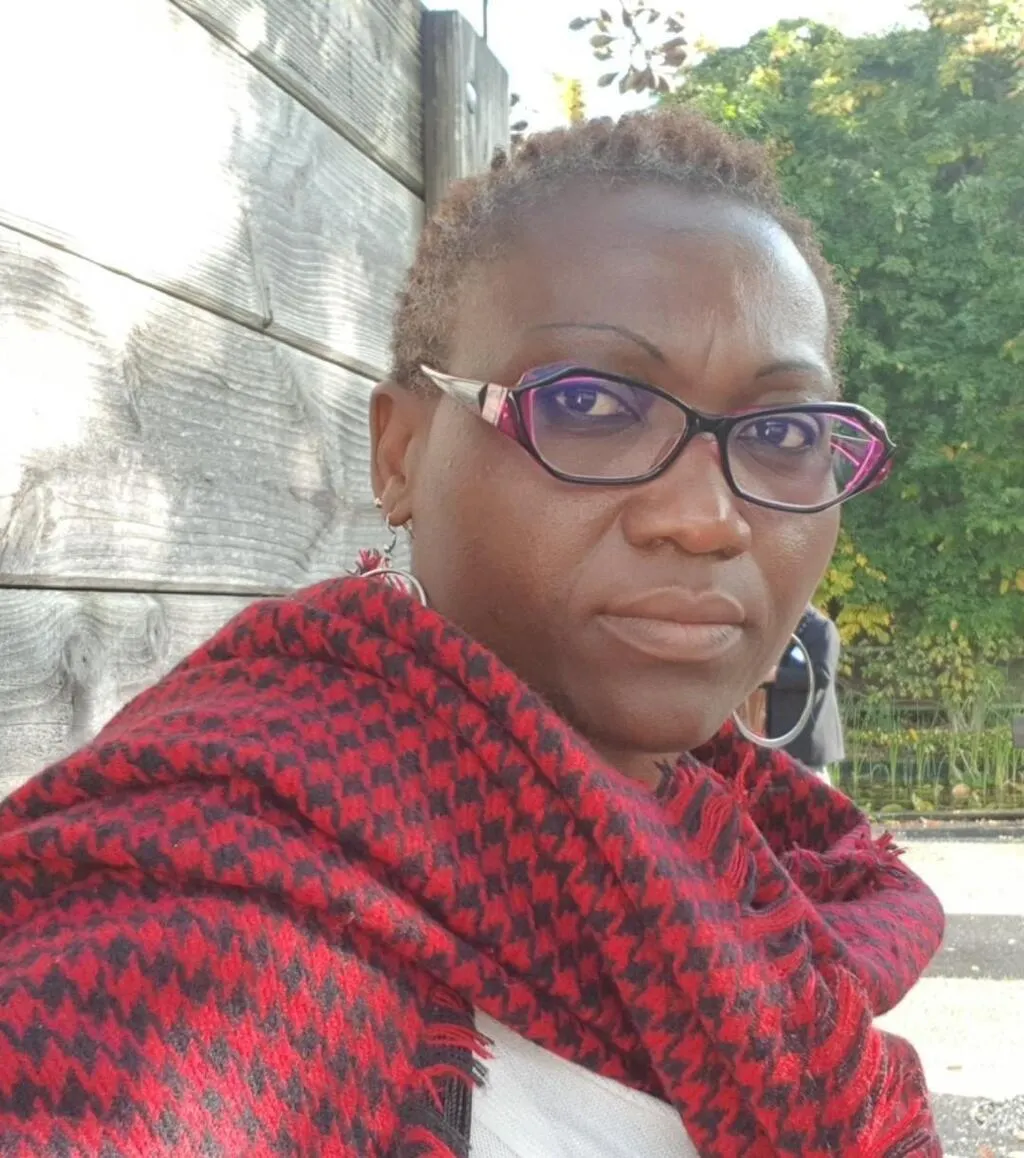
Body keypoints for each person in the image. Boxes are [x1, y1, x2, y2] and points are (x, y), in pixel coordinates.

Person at [0, 109, 942, 1157]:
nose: (705, 518)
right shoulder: (203, 928)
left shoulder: (775, 872)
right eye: (588, 404)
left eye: (783, 431)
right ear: (400, 453)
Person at [767, 605, 846, 781]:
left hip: (808, 738)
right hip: (781, 737)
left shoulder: (822, 629)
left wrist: (776, 675)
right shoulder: (783, 628)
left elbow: (822, 676)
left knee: (814, 792)